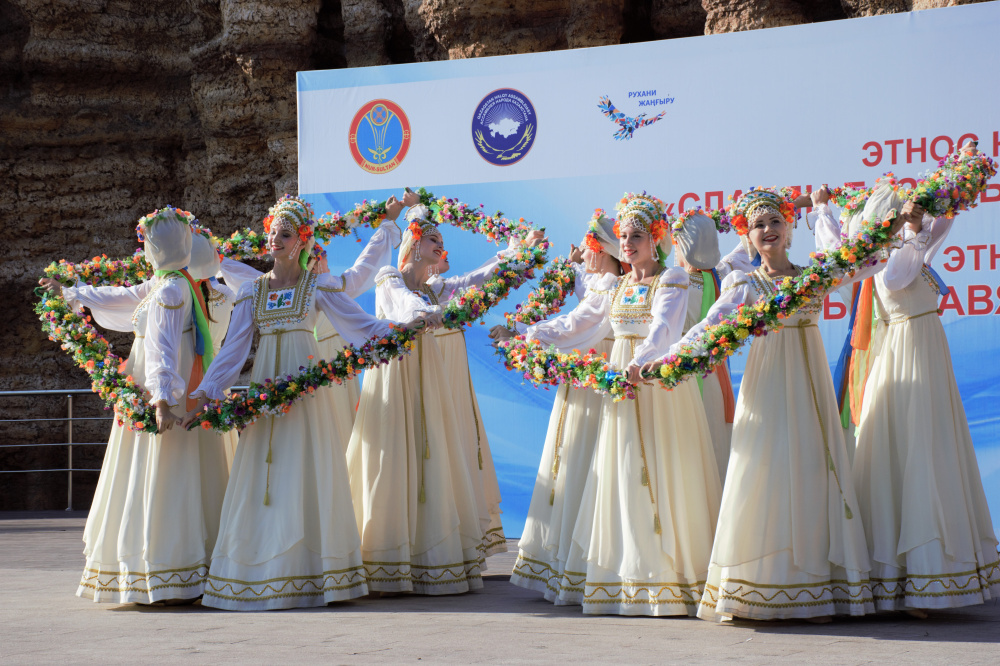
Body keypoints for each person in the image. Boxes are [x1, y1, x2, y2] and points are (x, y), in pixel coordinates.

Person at [667, 187, 910, 622]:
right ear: (747, 235)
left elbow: (868, 258)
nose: (767, 230)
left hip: (809, 386)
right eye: (758, 225)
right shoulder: (745, 282)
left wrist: (898, 223)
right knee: (763, 468)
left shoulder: (815, 273)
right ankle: (756, 586)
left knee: (813, 468)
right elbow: (709, 326)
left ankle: (813, 586)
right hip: (768, 383)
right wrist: (664, 361)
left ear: (789, 227)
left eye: (775, 222)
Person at [183, 196, 426, 610]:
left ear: (301, 241)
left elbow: (360, 324)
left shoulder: (317, 287)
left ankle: (315, 572)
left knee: (305, 465)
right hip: (264, 388)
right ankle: (259, 569)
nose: (276, 239)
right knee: (264, 472)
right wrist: (205, 393)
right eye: (273, 232)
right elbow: (233, 350)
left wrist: (403, 328)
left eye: (286, 233)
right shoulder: (253, 291)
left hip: (305, 387)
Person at [346, 206, 545, 594]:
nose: (442, 246)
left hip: (428, 372)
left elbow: (475, 278)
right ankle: (387, 555)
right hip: (397, 374)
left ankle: (428, 553)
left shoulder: (435, 288)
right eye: (434, 239)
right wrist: (427, 313)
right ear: (415, 243)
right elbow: (403, 304)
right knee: (395, 451)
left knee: (432, 450)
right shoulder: (390, 276)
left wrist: (513, 253)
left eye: (442, 240)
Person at [41, 207, 229, 604]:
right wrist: (73, 293)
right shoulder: (171, 282)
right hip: (159, 384)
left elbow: (162, 347)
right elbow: (125, 297)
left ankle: (167, 569)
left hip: (161, 389)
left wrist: (161, 399)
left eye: (148, 243)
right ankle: (178, 568)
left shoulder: (171, 290)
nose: (144, 250)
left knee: (164, 471)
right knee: (170, 470)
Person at [851, 151, 1000, 613]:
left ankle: (932, 574)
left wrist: (953, 188)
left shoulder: (912, 247)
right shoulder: (887, 259)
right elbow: (898, 279)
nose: (910, 219)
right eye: (899, 214)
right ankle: (910, 578)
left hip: (926, 353)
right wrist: (912, 229)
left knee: (931, 450)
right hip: (906, 356)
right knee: (913, 451)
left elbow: (941, 227)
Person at [216, 190, 419, 454]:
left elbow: (366, 267)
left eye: (320, 257)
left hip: (326, 366)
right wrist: (211, 257)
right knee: (282, 444)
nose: (316, 261)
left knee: (331, 435)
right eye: (313, 257)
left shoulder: (330, 287)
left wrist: (388, 224)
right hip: (282, 367)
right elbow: (239, 274)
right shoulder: (264, 289)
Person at [497, 210, 622, 603]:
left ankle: (581, 561)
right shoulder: (601, 279)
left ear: (602, 250)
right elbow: (585, 289)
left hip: (592, 370)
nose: (584, 251)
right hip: (581, 371)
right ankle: (565, 558)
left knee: (583, 458)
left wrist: (522, 331)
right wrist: (571, 266)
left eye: (589, 245)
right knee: (570, 457)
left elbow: (577, 324)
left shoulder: (612, 285)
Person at [671, 211, 737, 482]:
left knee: (684, 436)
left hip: (678, 364)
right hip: (710, 368)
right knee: (712, 432)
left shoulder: (673, 282)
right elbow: (741, 253)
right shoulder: (722, 277)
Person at [188, 228, 240, 468]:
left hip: (192, 366)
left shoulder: (184, 292)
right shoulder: (227, 293)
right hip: (218, 366)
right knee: (217, 435)